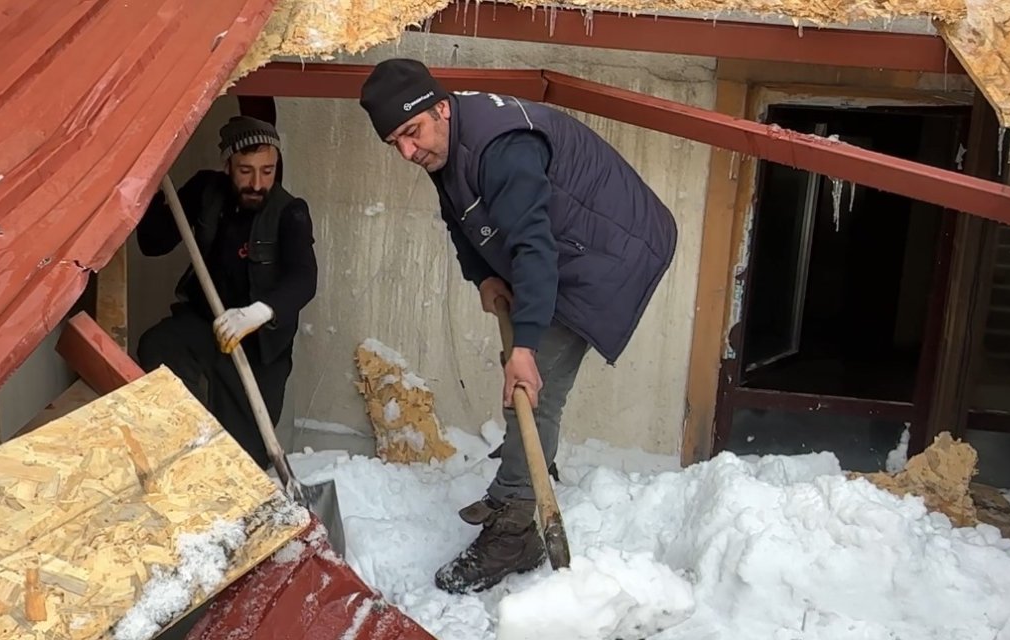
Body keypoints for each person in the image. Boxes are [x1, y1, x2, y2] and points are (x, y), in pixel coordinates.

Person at [358, 59, 678, 593]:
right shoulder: (447, 140)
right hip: (563, 245)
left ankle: (515, 531)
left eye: (411, 134)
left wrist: (524, 344)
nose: (408, 153)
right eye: (396, 143)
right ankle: (524, 474)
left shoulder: (500, 148)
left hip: (609, 250)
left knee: (532, 389)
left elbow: (534, 248)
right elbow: (458, 216)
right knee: (525, 385)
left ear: (439, 107)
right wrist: (483, 275)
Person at [135, 116, 317, 470]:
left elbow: (304, 278)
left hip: (259, 342)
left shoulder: (290, 212)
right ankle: (184, 441)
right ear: (227, 165)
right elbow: (152, 243)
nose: (257, 183)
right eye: (245, 171)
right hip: (207, 323)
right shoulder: (206, 191)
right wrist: (150, 182)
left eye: (267, 171)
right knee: (157, 345)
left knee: (247, 453)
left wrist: (258, 313)